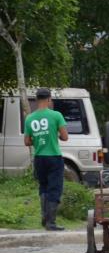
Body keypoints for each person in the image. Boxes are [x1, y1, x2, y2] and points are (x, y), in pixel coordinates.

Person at [24, 88, 69, 231]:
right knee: (54, 188)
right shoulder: (56, 115)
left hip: (39, 158)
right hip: (54, 157)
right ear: (49, 99)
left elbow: (26, 141)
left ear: (37, 100)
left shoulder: (29, 118)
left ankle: (44, 218)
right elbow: (65, 137)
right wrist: (55, 135)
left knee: (43, 187)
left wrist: (38, 139)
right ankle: (51, 222)